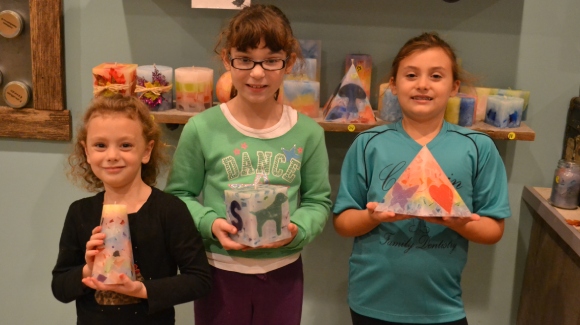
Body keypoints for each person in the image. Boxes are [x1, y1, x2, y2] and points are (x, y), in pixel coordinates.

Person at [164, 4, 332, 325]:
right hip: (219, 272)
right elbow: (178, 197)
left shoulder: (308, 133)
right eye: (245, 59)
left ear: (289, 63)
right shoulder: (201, 128)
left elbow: (317, 201)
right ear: (228, 59)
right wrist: (211, 223)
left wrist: (298, 230)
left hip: (283, 272)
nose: (257, 72)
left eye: (271, 60)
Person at [333, 32, 511, 325]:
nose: (423, 84)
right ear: (393, 84)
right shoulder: (368, 144)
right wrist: (374, 217)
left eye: (436, 76)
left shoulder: (478, 148)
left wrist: (460, 222)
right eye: (411, 74)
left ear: (454, 86)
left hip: (442, 306)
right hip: (370, 302)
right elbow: (342, 222)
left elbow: (493, 229)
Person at [51, 95, 211, 325]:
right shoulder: (80, 213)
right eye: (100, 145)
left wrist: (141, 289)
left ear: (146, 150)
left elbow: (199, 280)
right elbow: (60, 287)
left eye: (125, 145)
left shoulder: (169, 210)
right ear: (87, 152)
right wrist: (87, 269)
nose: (112, 156)